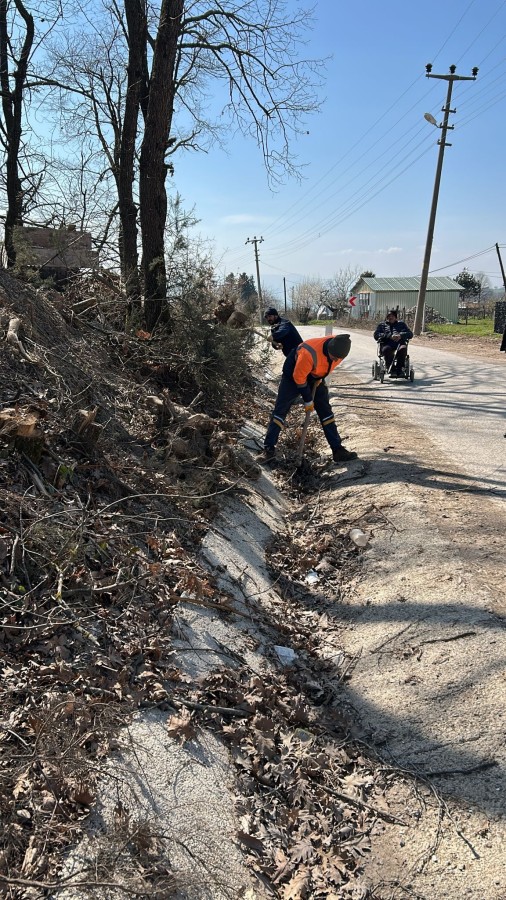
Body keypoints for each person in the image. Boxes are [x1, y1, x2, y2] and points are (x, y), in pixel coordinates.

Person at [258, 333, 358, 463]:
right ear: (329, 348)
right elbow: (299, 378)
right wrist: (308, 399)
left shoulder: (340, 348)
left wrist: (319, 377)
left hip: (315, 377)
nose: (335, 360)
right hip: (293, 375)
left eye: (338, 358)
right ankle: (268, 450)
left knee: (326, 412)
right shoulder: (309, 353)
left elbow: (327, 364)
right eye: (333, 357)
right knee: (280, 411)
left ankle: (338, 450)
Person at [373, 309, 413, 377]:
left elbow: (410, 334)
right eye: (389, 316)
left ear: (396, 317)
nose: (390, 317)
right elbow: (376, 335)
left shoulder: (402, 324)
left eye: (392, 316)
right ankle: (392, 369)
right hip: (387, 344)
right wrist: (389, 336)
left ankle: (400, 369)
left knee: (403, 348)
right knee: (386, 349)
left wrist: (400, 335)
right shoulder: (382, 325)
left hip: (399, 344)